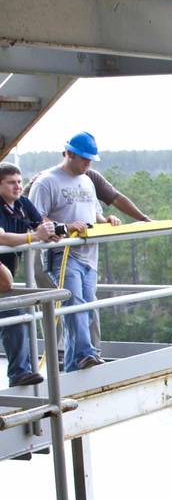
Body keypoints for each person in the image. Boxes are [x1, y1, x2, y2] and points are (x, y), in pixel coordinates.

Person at [29, 132, 121, 373]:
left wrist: (107, 220)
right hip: (63, 255)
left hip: (89, 256)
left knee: (87, 307)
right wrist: (65, 227)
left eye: (90, 160)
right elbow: (35, 218)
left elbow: (94, 213)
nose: (88, 165)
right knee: (75, 307)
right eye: (83, 159)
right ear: (68, 154)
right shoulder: (47, 182)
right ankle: (85, 355)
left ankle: (73, 365)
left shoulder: (87, 181)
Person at [0, 161, 56, 387]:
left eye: (19, 182)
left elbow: (40, 224)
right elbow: (2, 238)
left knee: (18, 313)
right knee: (15, 311)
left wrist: (52, 231)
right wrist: (35, 237)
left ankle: (20, 373)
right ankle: (19, 371)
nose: (17, 187)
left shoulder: (22, 203)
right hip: (3, 278)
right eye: (11, 182)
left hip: (5, 277)